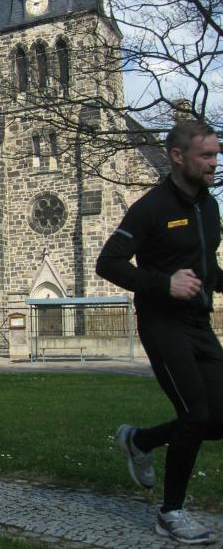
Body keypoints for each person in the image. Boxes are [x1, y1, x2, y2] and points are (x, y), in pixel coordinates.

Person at [96, 120, 223, 545]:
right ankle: (171, 513)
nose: (214, 162)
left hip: (198, 323)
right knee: (196, 414)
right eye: (206, 155)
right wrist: (162, 283)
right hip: (161, 323)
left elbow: (207, 268)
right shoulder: (150, 208)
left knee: (218, 419)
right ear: (178, 156)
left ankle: (140, 440)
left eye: (216, 154)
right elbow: (108, 263)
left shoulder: (209, 206)